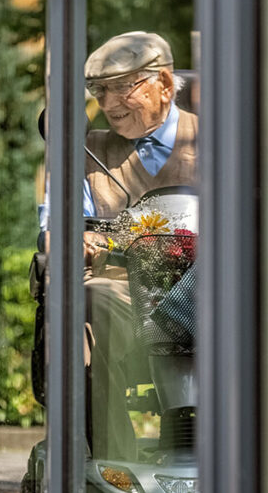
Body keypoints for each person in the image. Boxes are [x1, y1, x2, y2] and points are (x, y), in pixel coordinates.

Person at [79, 31, 199, 460]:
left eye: (120, 87)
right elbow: (57, 226)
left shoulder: (215, 141)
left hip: (201, 284)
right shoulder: (88, 149)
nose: (107, 103)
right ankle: (113, 463)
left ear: (164, 84)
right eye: (98, 90)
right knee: (87, 305)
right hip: (122, 286)